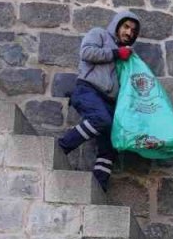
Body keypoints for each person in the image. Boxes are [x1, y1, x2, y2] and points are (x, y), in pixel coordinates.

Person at [55, 10, 140, 192]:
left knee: (111, 146)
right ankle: (61, 147)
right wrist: (116, 54)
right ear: (117, 24)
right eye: (126, 27)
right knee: (101, 120)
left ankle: (98, 187)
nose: (129, 33)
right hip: (87, 89)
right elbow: (86, 52)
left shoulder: (127, 56)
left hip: (109, 101)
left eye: (133, 31)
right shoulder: (99, 34)